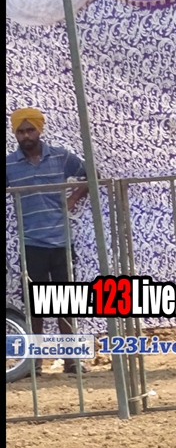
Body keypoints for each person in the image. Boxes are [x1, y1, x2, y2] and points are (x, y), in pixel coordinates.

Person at [6, 107, 91, 375]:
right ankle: (34, 365)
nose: (26, 135)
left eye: (30, 130)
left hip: (62, 241)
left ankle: (71, 361)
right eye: (21, 131)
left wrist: (73, 198)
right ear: (15, 134)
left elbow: (91, 174)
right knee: (35, 307)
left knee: (65, 303)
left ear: (39, 130)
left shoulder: (60, 157)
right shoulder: (9, 164)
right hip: (31, 243)